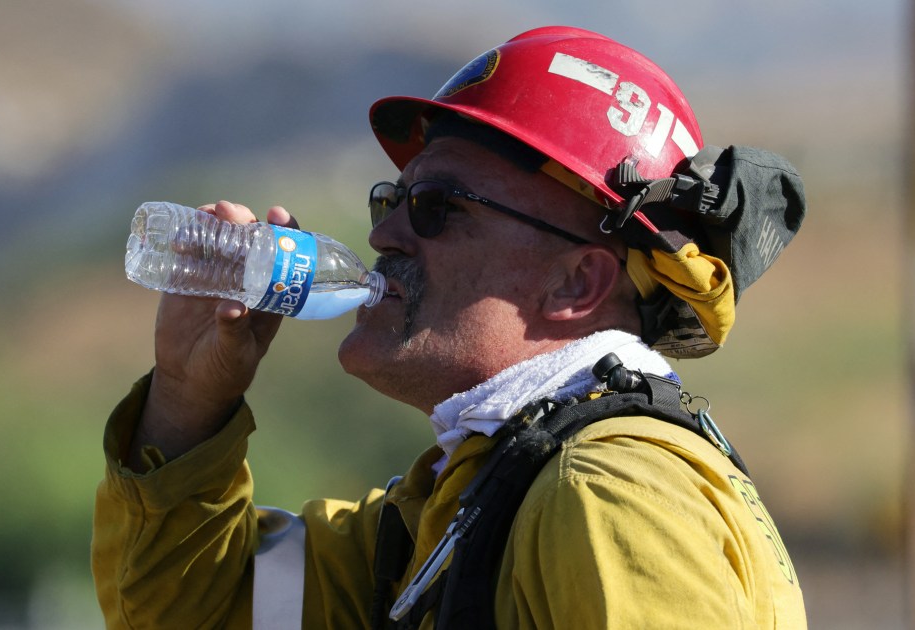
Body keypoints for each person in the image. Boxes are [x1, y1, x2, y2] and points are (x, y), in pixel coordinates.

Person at [93, 25, 809, 629]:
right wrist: (187, 403)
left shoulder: (609, 493)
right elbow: (199, 611)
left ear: (576, 283)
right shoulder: (456, 507)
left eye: (437, 204)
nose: (384, 237)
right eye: (391, 200)